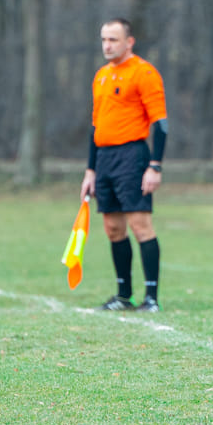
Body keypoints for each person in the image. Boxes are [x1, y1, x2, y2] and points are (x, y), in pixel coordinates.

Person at [79, 18, 168, 312]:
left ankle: (151, 298)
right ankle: (123, 295)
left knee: (140, 225)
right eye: (104, 39)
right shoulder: (101, 76)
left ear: (129, 42)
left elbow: (161, 124)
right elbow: (96, 127)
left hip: (133, 156)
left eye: (113, 40)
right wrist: (90, 170)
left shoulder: (144, 73)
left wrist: (154, 166)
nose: (107, 45)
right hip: (104, 160)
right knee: (113, 229)